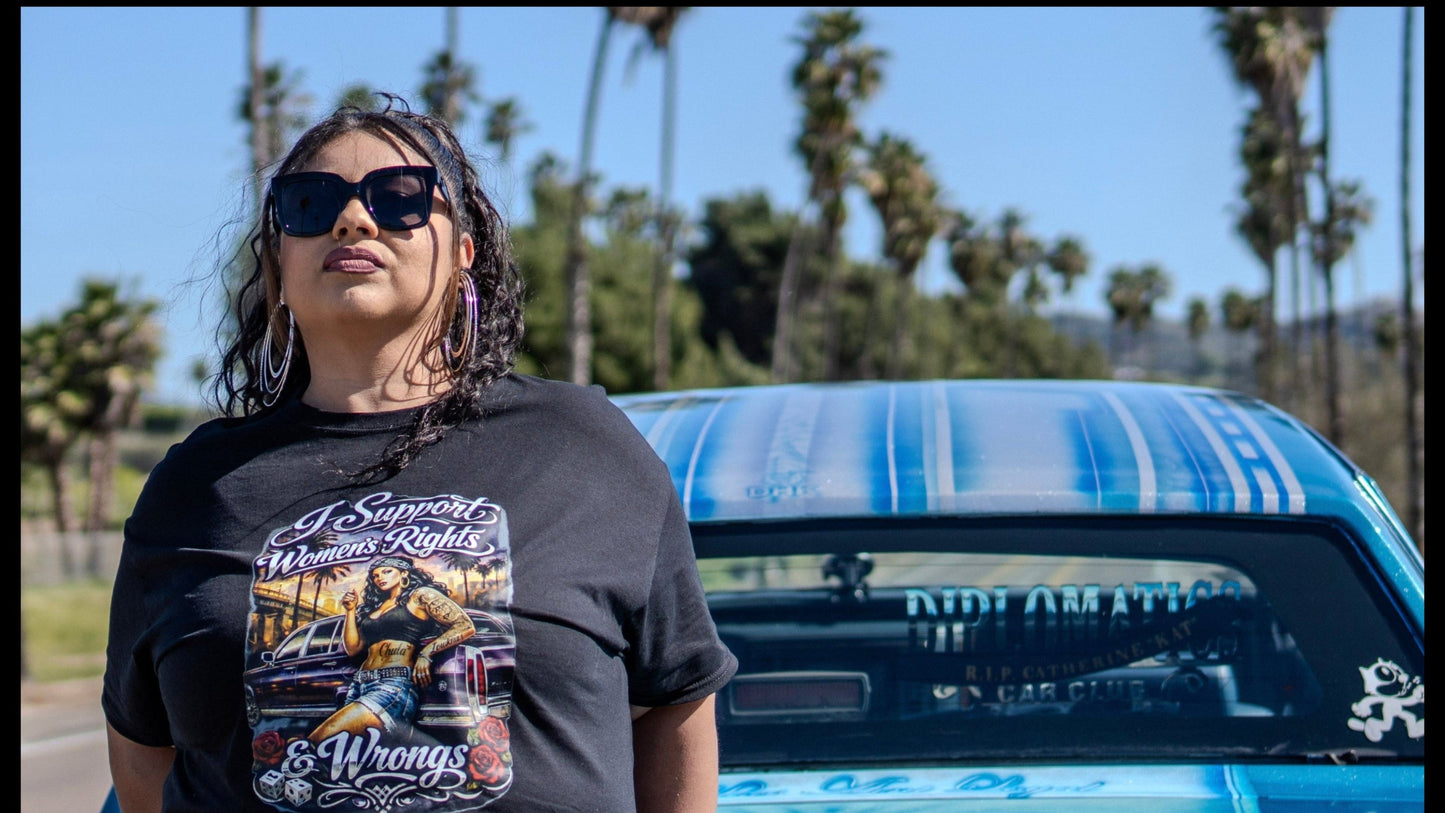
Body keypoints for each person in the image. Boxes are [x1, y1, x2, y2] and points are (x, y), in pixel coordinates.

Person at [103, 95, 736, 813]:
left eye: (398, 198)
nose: (353, 219)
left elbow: (676, 703)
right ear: (278, 261)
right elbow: (141, 747)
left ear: (462, 253)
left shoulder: (584, 447)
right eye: (309, 204)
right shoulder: (194, 487)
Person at [307, 555, 474, 743]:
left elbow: (464, 625)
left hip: (392, 684)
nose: (380, 578)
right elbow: (353, 649)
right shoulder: (375, 607)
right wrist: (351, 610)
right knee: (343, 752)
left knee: (322, 739)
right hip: (358, 685)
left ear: (404, 573)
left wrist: (426, 653)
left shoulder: (420, 595)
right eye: (376, 575)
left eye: (387, 571)